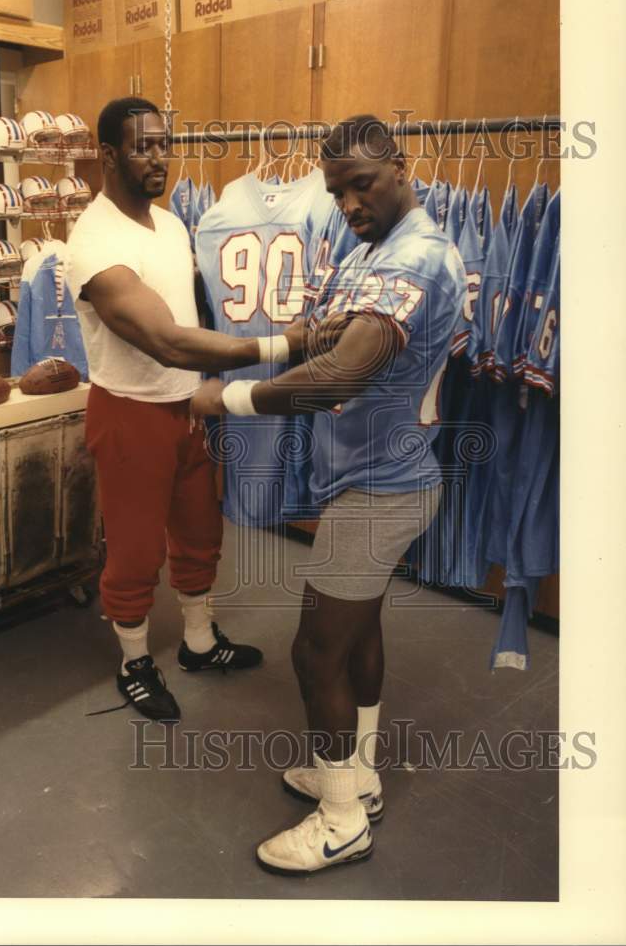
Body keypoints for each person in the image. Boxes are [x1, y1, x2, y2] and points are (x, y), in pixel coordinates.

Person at [191, 115, 467, 874]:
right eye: (337, 190)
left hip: (377, 494)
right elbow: (335, 335)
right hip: (375, 481)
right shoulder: (375, 248)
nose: (347, 204)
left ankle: (340, 820)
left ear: (401, 168)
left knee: (315, 653)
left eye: (363, 185)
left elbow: (345, 373)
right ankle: (359, 775)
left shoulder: (413, 258)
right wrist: (296, 338)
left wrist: (231, 399)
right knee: (358, 636)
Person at [66, 97, 302, 723]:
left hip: (187, 405)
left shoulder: (169, 225)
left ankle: (198, 643)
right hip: (131, 413)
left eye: (163, 144)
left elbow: (192, 321)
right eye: (142, 146)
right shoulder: (94, 243)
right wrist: (284, 342)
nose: (157, 158)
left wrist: (203, 387)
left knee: (200, 533)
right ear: (109, 155)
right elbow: (166, 338)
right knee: (137, 552)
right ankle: (134, 662)